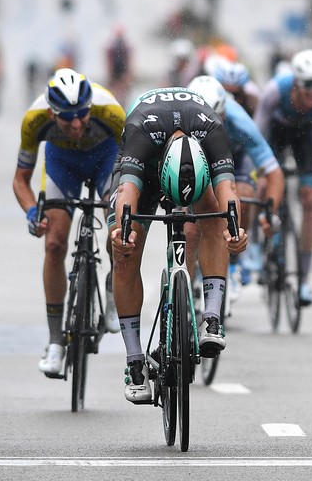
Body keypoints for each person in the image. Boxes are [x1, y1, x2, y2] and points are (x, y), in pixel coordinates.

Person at [108, 87, 248, 403]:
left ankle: (212, 317)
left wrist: (235, 231)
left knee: (216, 219)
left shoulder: (212, 129)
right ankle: (134, 361)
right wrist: (123, 232)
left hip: (191, 162)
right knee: (125, 249)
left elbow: (229, 191)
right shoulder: (140, 131)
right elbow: (128, 193)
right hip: (144, 165)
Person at [13, 68, 126, 378]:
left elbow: (132, 167)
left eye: (83, 115)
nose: (77, 124)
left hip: (106, 160)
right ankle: (55, 342)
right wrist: (31, 213)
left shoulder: (110, 111)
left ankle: (114, 288)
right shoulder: (34, 120)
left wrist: (120, 203)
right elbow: (21, 180)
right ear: (52, 113)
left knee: (119, 226)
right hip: (62, 165)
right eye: (67, 118)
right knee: (54, 243)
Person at [254, 49, 312, 306]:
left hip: (307, 136)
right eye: (308, 85)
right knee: (264, 186)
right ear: (295, 81)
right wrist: (260, 172)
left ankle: (304, 280)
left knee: (309, 198)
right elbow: (257, 137)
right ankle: (256, 248)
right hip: (275, 134)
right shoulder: (274, 92)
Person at [187, 75, 284, 289]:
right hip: (194, 160)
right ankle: (186, 282)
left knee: (243, 196)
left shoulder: (240, 121)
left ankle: (234, 262)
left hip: (235, 159)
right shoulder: (179, 118)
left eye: (216, 119)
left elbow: (273, 172)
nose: (208, 126)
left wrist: (270, 214)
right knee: (189, 224)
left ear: (224, 112)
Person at [106, 26, 134, 103]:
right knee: (118, 89)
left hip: (121, 70)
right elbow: (109, 59)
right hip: (117, 70)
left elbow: (129, 58)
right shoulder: (113, 46)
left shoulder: (124, 46)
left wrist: (128, 72)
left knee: (122, 90)